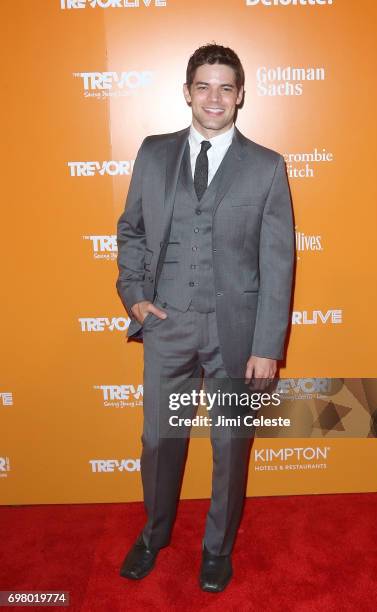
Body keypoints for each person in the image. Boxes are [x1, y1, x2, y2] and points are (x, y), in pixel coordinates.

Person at [115, 43, 294, 593]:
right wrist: (136, 295)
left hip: (236, 333)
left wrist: (267, 346)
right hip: (167, 324)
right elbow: (132, 231)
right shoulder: (153, 152)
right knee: (158, 442)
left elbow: (278, 262)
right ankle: (154, 534)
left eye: (225, 88)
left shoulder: (266, 166)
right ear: (187, 92)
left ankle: (216, 549)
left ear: (240, 96)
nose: (213, 98)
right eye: (203, 86)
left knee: (230, 447)